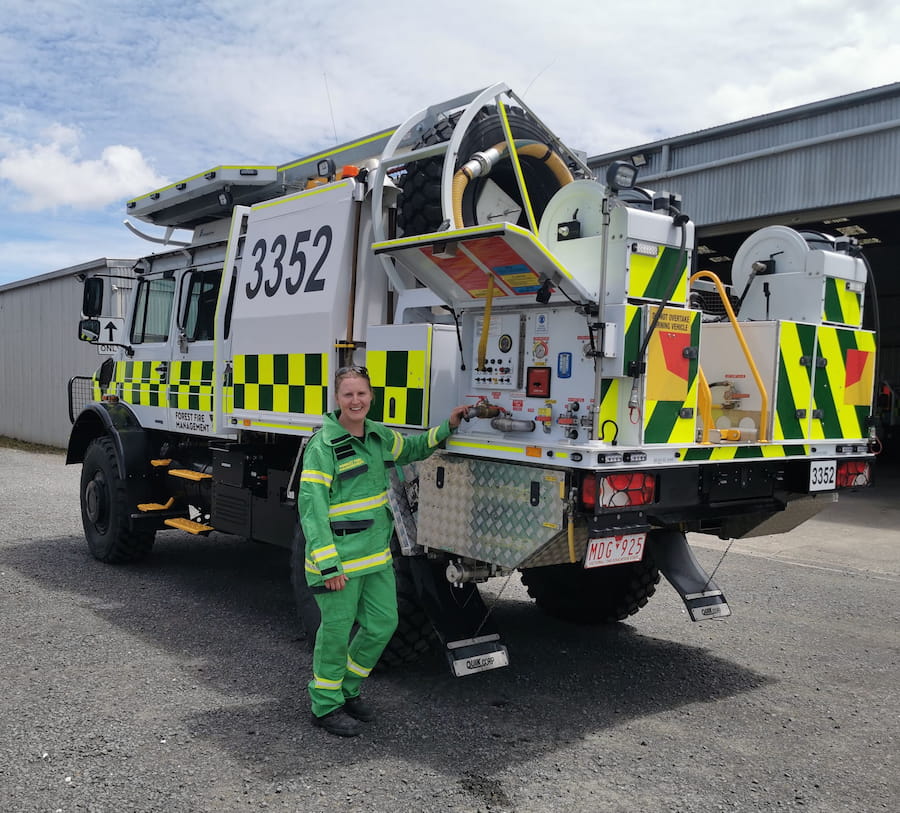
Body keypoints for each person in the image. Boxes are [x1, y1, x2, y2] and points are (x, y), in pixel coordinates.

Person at [299, 364, 469, 737]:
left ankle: (347, 688)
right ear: (337, 399)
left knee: (382, 625)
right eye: (348, 394)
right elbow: (311, 510)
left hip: (375, 559)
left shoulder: (378, 437)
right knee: (336, 633)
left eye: (361, 394)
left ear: (371, 397)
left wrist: (448, 426)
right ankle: (324, 705)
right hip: (339, 562)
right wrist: (328, 566)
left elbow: (412, 448)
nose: (356, 401)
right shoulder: (323, 445)